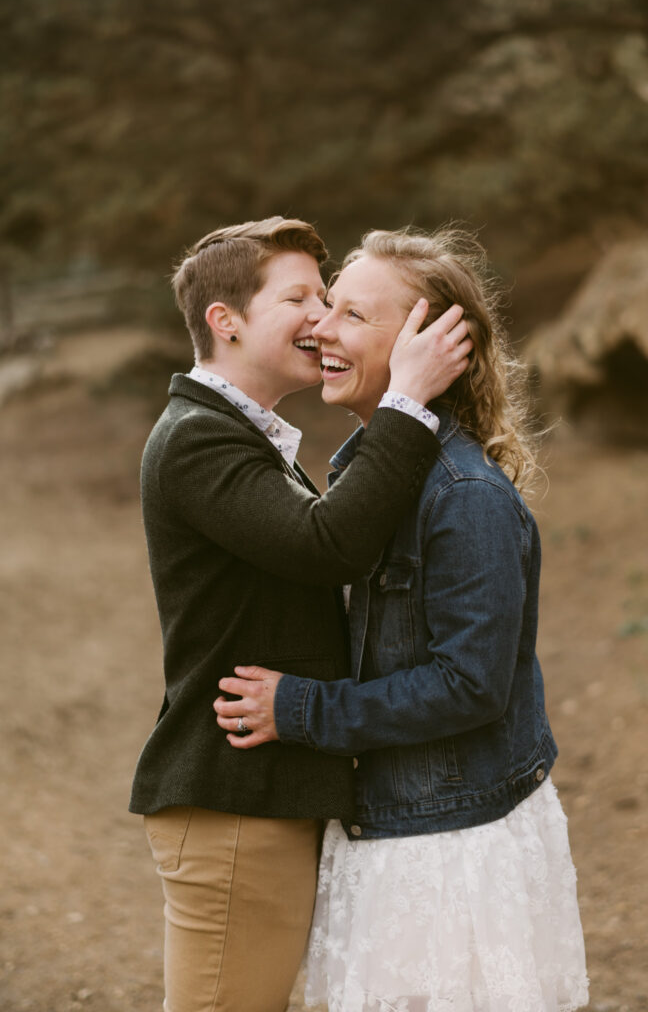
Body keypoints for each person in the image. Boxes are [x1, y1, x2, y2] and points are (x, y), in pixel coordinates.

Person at [214, 226, 590, 1012]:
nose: (321, 328)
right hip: (397, 825)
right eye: (325, 309)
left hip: (454, 848)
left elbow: (470, 685)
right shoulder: (369, 471)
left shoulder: (465, 497)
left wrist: (303, 708)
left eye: (352, 315)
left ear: (428, 346)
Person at [129, 216, 473, 1012]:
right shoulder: (196, 440)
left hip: (260, 799)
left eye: (328, 299)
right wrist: (408, 401)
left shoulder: (236, 436)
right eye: (299, 298)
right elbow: (330, 546)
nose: (321, 319)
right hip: (234, 805)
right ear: (227, 321)